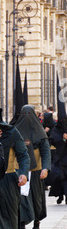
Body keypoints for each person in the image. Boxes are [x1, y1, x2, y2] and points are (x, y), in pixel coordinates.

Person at [15, 105, 51, 229]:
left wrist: (45, 168)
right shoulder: (16, 131)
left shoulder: (40, 133)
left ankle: (36, 222)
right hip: (21, 169)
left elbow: (46, 152)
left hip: (36, 170)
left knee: (37, 198)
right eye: (25, 115)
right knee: (22, 198)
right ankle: (21, 224)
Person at [48, 76, 67, 205]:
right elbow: (52, 139)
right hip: (59, 160)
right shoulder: (56, 128)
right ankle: (60, 196)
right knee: (59, 178)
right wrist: (62, 139)